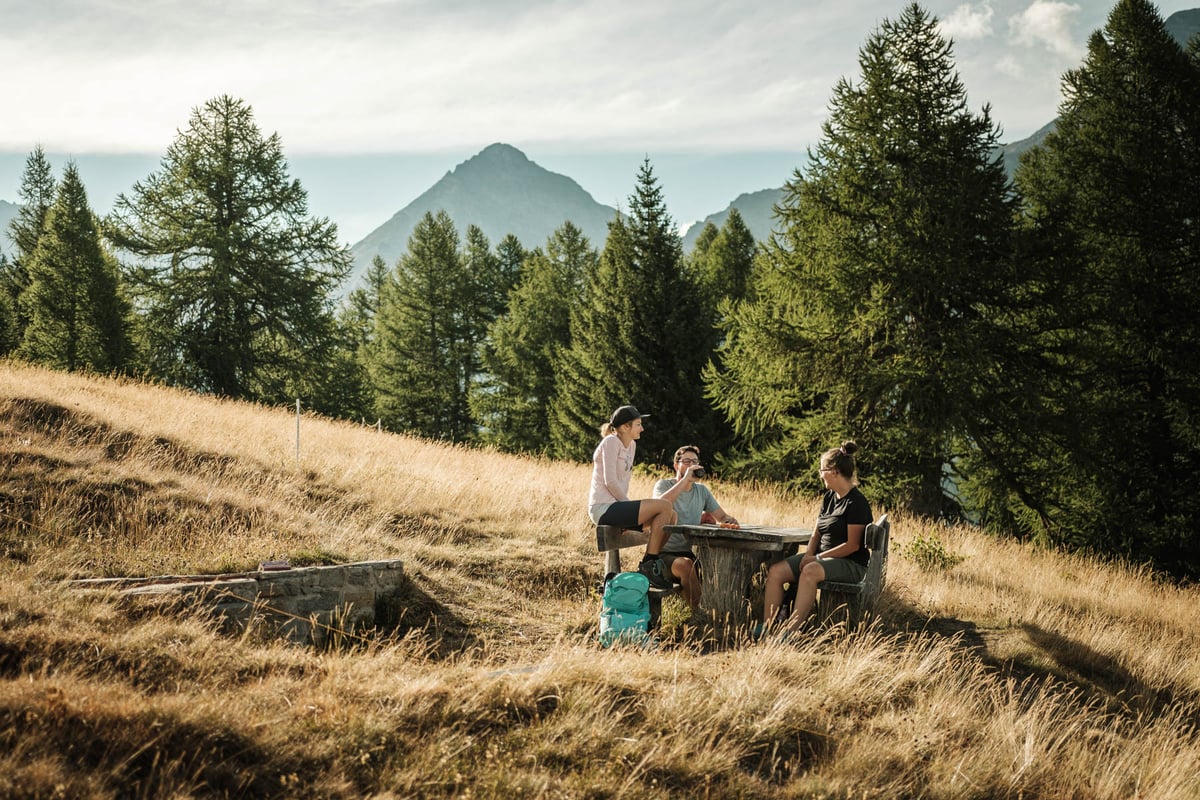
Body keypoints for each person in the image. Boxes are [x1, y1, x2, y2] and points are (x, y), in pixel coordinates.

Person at [761, 441, 872, 636]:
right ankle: (767, 627)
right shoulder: (829, 497)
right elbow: (817, 531)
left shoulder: (857, 503)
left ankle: (789, 633)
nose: (820, 474)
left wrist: (817, 559)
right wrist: (809, 553)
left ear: (834, 472)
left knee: (810, 571)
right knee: (776, 571)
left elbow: (853, 545)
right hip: (820, 558)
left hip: (851, 564)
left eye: (823, 470)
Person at [587, 405, 677, 591]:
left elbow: (622, 482)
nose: (642, 428)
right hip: (603, 508)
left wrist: (628, 516)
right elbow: (610, 481)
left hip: (617, 509)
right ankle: (649, 564)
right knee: (664, 506)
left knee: (672, 516)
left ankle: (651, 562)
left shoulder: (631, 445)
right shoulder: (611, 442)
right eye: (638, 424)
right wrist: (628, 509)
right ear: (625, 427)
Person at [652, 445, 739, 609]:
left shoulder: (701, 491)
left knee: (716, 567)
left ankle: (721, 611)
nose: (692, 465)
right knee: (686, 566)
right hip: (660, 555)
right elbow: (659, 505)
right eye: (686, 461)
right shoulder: (663, 485)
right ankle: (701, 615)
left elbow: (721, 516)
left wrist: (730, 520)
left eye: (695, 462)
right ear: (676, 465)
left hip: (687, 553)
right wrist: (685, 480)